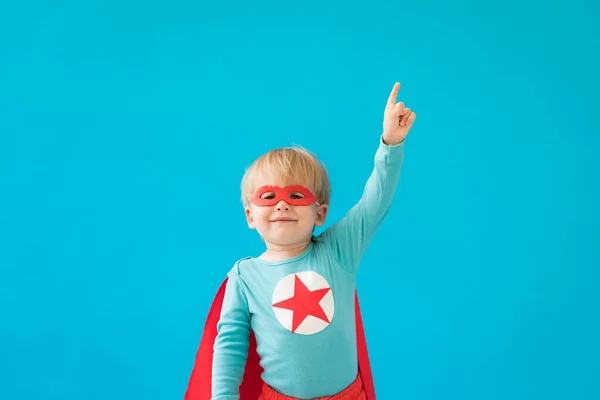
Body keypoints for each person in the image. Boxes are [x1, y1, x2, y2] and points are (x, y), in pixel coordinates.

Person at [212, 82, 416, 400]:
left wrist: (390, 144)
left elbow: (375, 201)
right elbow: (230, 346)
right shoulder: (244, 276)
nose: (282, 204)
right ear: (251, 216)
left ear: (319, 213)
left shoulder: (339, 251)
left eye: (296, 195)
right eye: (269, 196)